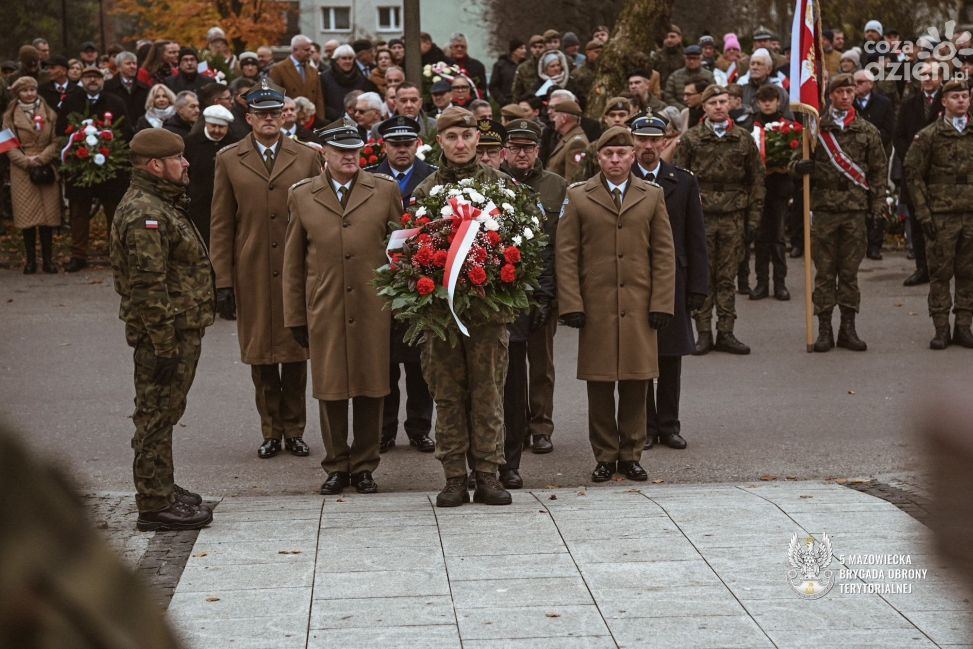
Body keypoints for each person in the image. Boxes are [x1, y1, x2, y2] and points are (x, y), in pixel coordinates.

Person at [282, 124, 400, 495]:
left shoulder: (384, 191)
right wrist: (295, 315)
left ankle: (364, 466)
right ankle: (336, 465)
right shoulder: (302, 195)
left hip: (372, 306)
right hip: (326, 305)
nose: (349, 157)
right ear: (324, 153)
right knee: (331, 389)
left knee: (371, 387)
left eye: (355, 150)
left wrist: (400, 305)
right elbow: (293, 261)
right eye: (340, 150)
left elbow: (401, 250)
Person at [557, 125, 676, 482]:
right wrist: (571, 304)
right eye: (608, 154)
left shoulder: (651, 195)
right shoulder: (578, 195)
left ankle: (631, 453)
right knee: (600, 382)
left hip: (639, 305)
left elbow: (664, 253)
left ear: (632, 156)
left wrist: (662, 303)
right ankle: (605, 455)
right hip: (596, 306)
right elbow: (566, 254)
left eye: (622, 154)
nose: (615, 160)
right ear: (598, 158)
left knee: (637, 382)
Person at [109, 127, 214, 531]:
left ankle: (162, 486)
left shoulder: (159, 202)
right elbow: (147, 286)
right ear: (156, 165)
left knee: (166, 411)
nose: (186, 164)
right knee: (155, 414)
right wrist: (165, 345)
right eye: (179, 158)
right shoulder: (145, 213)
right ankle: (154, 504)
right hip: (165, 333)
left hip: (177, 328)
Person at [410, 106, 516, 507]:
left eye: (466, 137)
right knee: (448, 394)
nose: (459, 144)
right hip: (441, 318)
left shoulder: (503, 188)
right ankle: (454, 475)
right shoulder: (426, 192)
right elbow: (411, 252)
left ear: (477, 140)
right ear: (439, 141)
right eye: (451, 137)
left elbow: (521, 250)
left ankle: (488, 472)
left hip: (489, 314)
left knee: (488, 392)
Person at [210, 84, 321, 460]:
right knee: (261, 355)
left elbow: (319, 215)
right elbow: (222, 223)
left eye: (276, 112)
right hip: (253, 269)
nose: (270, 118)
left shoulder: (306, 157)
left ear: (285, 116)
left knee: (295, 351)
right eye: (262, 113)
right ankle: (270, 431)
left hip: (297, 271)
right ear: (249, 118)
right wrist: (222, 279)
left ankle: (295, 430)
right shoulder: (229, 159)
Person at [793, 74, 888, 352]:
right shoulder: (814, 129)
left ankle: (848, 328)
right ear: (830, 95)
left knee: (848, 273)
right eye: (840, 92)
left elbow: (878, 172)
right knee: (824, 272)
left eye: (850, 91)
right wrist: (799, 168)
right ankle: (824, 329)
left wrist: (877, 209)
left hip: (854, 210)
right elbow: (792, 163)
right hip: (823, 210)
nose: (845, 96)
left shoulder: (866, 130)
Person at [630, 115, 708, 450]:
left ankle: (669, 424)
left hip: (674, 279)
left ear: (665, 142)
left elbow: (695, 237)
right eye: (641, 140)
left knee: (670, 355)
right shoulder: (622, 179)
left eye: (654, 140)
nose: (648, 147)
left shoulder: (683, 181)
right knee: (640, 356)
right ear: (633, 141)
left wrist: (698, 287)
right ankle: (644, 426)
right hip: (633, 280)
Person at [673, 84, 764, 355]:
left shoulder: (743, 138)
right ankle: (703, 332)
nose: (718, 106)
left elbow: (757, 181)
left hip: (734, 216)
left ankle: (726, 331)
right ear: (704, 107)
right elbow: (679, 179)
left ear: (730, 104)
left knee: (727, 277)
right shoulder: (690, 139)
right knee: (703, 276)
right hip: (701, 218)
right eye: (712, 102)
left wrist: (754, 220)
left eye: (723, 101)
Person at [367, 116, 437, 454]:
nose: (402, 150)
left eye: (408, 143)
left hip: (422, 281)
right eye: (395, 144)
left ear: (417, 144)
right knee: (385, 363)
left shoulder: (432, 178)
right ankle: (384, 429)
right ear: (385, 146)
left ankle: (420, 428)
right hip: (383, 282)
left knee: (420, 363)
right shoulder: (370, 180)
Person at [500, 118, 567, 456]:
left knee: (541, 363)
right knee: (508, 363)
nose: (522, 154)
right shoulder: (494, 184)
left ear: (538, 150)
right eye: (515, 148)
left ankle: (541, 426)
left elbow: (563, 244)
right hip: (504, 289)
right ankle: (513, 425)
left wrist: (552, 292)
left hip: (543, 287)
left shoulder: (557, 186)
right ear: (504, 151)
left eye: (528, 148)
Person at [903, 78, 973, 349]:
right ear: (944, 102)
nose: (961, 101)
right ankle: (941, 328)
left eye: (965, 97)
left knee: (969, 274)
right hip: (941, 217)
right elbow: (913, 174)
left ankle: (964, 327)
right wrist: (923, 214)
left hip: (970, 215)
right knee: (940, 275)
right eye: (955, 97)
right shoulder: (929, 135)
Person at [56, 64, 132, 273]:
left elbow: (126, 131)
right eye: (88, 77)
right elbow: (61, 130)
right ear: (81, 80)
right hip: (78, 166)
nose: (92, 80)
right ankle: (78, 254)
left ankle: (116, 253)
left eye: (96, 77)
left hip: (111, 167)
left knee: (114, 211)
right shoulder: (71, 102)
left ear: (103, 81)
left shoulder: (115, 102)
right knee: (79, 212)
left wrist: (111, 149)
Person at [3, 76, 60, 274]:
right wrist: (26, 161)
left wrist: (43, 157)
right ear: (18, 93)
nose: (29, 94)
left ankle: (48, 260)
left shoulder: (49, 113)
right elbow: (7, 145)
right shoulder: (9, 116)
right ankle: (30, 260)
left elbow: (55, 141)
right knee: (27, 218)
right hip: (22, 170)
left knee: (47, 217)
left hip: (45, 167)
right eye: (25, 90)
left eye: (32, 90)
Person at [896, 62, 944, 287]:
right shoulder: (909, 104)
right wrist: (914, 159)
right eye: (923, 74)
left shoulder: (951, 100)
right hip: (914, 172)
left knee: (945, 223)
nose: (927, 78)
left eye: (932, 74)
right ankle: (922, 268)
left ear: (941, 77)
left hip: (942, 173)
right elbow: (900, 136)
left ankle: (943, 268)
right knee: (917, 222)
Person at [748, 84, 794, 301]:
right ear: (757, 102)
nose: (767, 103)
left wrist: (786, 166)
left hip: (779, 188)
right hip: (756, 189)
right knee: (760, 237)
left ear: (778, 101)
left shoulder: (789, 126)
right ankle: (761, 283)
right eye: (763, 99)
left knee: (777, 236)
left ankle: (780, 283)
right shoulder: (749, 126)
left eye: (771, 99)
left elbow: (797, 157)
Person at [853, 69, 895, 261]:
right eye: (855, 82)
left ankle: (875, 245)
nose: (857, 86)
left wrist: (870, 143)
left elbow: (889, 129)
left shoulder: (883, 103)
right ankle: (858, 244)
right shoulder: (849, 102)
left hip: (877, 158)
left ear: (871, 84)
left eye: (861, 82)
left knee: (877, 200)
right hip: (853, 160)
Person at [184, 104, 238, 244]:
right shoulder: (191, 142)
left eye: (221, 127)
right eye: (213, 126)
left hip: (227, 205)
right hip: (199, 204)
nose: (217, 130)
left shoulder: (235, 144)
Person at [270, 35, 326, 123]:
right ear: (295, 49)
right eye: (306, 50)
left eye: (310, 50)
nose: (309, 53)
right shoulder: (279, 69)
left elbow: (319, 99)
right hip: (289, 120)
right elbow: (275, 98)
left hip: (311, 120)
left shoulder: (313, 70)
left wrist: (321, 120)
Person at [322, 44, 377, 121]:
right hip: (332, 121)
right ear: (337, 60)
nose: (348, 61)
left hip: (357, 121)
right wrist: (337, 116)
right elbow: (322, 102)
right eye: (344, 58)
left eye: (350, 58)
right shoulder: (325, 78)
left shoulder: (361, 79)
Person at [545, 100, 588, 182]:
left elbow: (572, 181)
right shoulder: (568, 138)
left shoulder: (577, 143)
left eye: (555, 117)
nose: (554, 120)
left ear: (563, 118)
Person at [105, 50, 150, 127]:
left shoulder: (144, 88)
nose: (133, 66)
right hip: (118, 130)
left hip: (140, 129)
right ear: (119, 67)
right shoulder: (108, 87)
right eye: (128, 63)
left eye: (134, 63)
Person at [490, 39, 526, 107]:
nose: (524, 51)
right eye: (521, 48)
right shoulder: (500, 65)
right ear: (514, 50)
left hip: (523, 104)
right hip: (506, 103)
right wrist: (502, 101)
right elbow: (493, 86)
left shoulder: (525, 66)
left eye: (525, 48)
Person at [511, 35, 545, 102]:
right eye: (534, 47)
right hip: (530, 102)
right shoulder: (523, 67)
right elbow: (516, 90)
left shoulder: (551, 65)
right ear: (530, 48)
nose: (537, 50)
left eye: (540, 47)